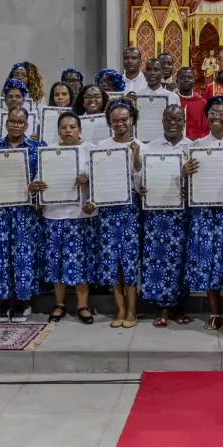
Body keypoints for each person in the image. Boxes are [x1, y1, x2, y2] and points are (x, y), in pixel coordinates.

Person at [35, 112, 97, 324]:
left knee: (81, 261)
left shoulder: (91, 150)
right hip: (54, 215)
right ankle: (59, 304)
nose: (68, 130)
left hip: (80, 215)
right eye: (63, 127)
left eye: (72, 126)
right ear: (58, 130)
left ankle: (83, 305)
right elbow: (38, 180)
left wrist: (88, 179)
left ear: (80, 129)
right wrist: (37, 186)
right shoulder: (50, 151)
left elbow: (102, 179)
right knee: (56, 261)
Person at [0, 106, 43, 322]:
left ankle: (23, 302)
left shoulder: (37, 147)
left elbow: (44, 177)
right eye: (12, 121)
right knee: (0, 256)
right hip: (1, 211)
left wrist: (36, 187)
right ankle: (3, 303)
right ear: (6, 122)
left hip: (26, 212)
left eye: (20, 122)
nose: (16, 125)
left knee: (23, 257)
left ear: (27, 125)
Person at [189, 96, 223, 331]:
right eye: (211, 112)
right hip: (206, 213)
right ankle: (214, 311)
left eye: (221, 112)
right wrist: (185, 173)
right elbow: (191, 185)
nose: (216, 116)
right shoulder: (197, 145)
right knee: (208, 261)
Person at [141, 105, 194, 327]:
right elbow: (140, 178)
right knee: (159, 260)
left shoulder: (193, 148)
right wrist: (141, 188)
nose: (173, 123)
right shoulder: (149, 148)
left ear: (184, 121)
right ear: (162, 121)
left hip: (183, 214)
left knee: (181, 260)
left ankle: (180, 306)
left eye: (178, 119)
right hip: (158, 214)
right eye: (168, 119)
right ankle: (162, 307)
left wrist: (189, 185)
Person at [94, 101, 146, 328]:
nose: (120, 124)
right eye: (115, 121)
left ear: (132, 119)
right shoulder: (102, 146)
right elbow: (97, 180)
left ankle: (133, 310)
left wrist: (136, 161)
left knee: (129, 262)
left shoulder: (142, 146)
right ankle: (120, 309)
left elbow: (143, 186)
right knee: (112, 262)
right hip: (107, 212)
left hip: (130, 211)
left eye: (124, 119)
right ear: (110, 123)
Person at [175, 66, 209, 140]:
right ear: (176, 81)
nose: (186, 80)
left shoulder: (202, 103)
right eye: (183, 77)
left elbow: (207, 128)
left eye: (189, 77)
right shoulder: (172, 100)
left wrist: (199, 140)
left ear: (194, 81)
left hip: (197, 145)